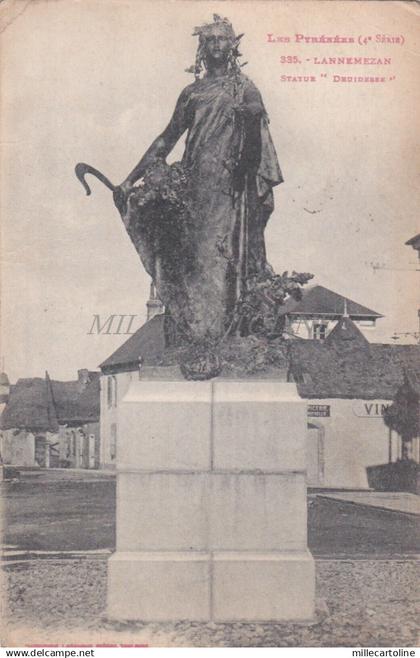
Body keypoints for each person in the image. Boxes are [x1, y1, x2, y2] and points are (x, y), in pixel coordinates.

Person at [116, 15, 283, 344]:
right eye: (210, 40)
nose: (217, 45)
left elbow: (255, 122)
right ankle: (195, 336)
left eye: (223, 39)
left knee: (222, 257)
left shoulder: (245, 87)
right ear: (201, 48)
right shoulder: (190, 93)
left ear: (233, 45)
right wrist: (128, 180)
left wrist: (251, 114)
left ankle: (223, 335)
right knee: (191, 259)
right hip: (193, 186)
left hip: (229, 188)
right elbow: (167, 139)